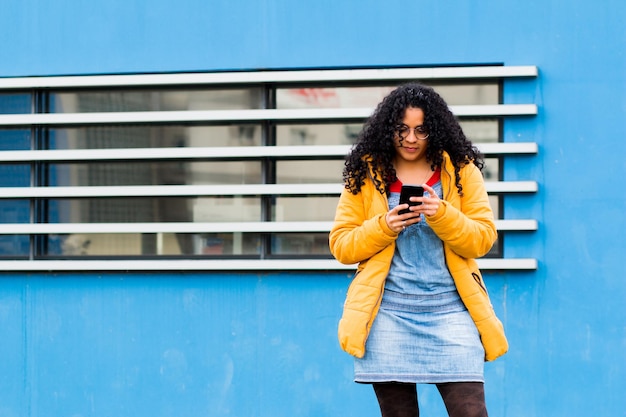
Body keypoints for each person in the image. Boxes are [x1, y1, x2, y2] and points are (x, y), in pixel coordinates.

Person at [329, 83, 508, 417]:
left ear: (435, 130)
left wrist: (442, 214)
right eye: (402, 129)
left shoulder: (461, 170)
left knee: (471, 412)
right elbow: (342, 245)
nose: (411, 139)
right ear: (389, 130)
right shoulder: (367, 173)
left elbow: (483, 238)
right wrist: (384, 226)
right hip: (388, 316)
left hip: (452, 311)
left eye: (421, 130)